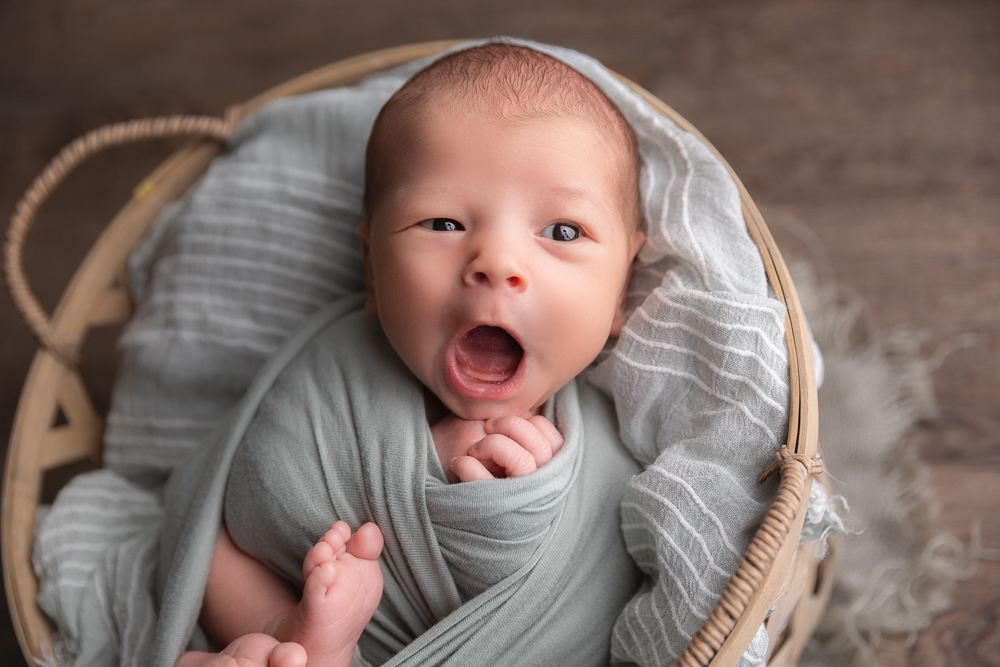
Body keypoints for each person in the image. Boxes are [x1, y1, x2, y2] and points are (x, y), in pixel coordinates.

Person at [177, 41, 645, 667]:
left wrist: (511, 510)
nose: (497, 263)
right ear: (372, 269)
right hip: (302, 619)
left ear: (622, 289)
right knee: (206, 552)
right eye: (444, 224)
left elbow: (602, 601)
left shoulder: (615, 450)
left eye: (562, 232)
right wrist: (281, 623)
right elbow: (232, 509)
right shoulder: (333, 374)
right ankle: (297, 640)